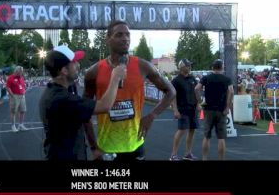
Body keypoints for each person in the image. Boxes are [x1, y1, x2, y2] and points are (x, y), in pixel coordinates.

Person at [84, 20, 176, 161]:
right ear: (108, 39)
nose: (125, 38)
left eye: (127, 34)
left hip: (135, 145)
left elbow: (171, 91)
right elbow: (85, 114)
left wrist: (151, 116)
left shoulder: (143, 66)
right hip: (106, 148)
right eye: (119, 34)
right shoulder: (94, 72)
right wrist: (93, 147)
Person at [39, 45, 126, 160]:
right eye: (74, 62)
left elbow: (83, 117)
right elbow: (104, 106)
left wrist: (94, 147)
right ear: (64, 70)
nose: (78, 65)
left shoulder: (61, 90)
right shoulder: (61, 99)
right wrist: (115, 78)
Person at [195, 59, 234, 160]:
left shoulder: (206, 78)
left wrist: (200, 101)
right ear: (222, 67)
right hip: (221, 110)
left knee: (206, 136)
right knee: (221, 138)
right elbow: (231, 92)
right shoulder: (226, 79)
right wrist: (227, 107)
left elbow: (196, 89)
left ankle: (204, 158)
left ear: (212, 68)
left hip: (208, 109)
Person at [169, 58, 199, 161]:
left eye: (190, 65)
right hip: (182, 109)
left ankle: (188, 153)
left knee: (192, 130)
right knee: (182, 130)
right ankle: (173, 155)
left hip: (193, 109)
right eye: (188, 65)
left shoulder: (192, 78)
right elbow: (172, 96)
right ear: (182, 67)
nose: (190, 67)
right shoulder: (176, 81)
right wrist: (175, 110)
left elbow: (196, 92)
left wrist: (198, 104)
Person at [6, 66, 27, 132]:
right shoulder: (10, 78)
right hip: (14, 95)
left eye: (21, 72)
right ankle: (13, 126)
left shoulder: (21, 77)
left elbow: (23, 85)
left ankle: (21, 125)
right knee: (13, 111)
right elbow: (7, 87)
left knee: (23, 110)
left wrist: (24, 91)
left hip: (22, 96)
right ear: (16, 71)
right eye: (20, 72)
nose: (21, 73)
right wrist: (12, 95)